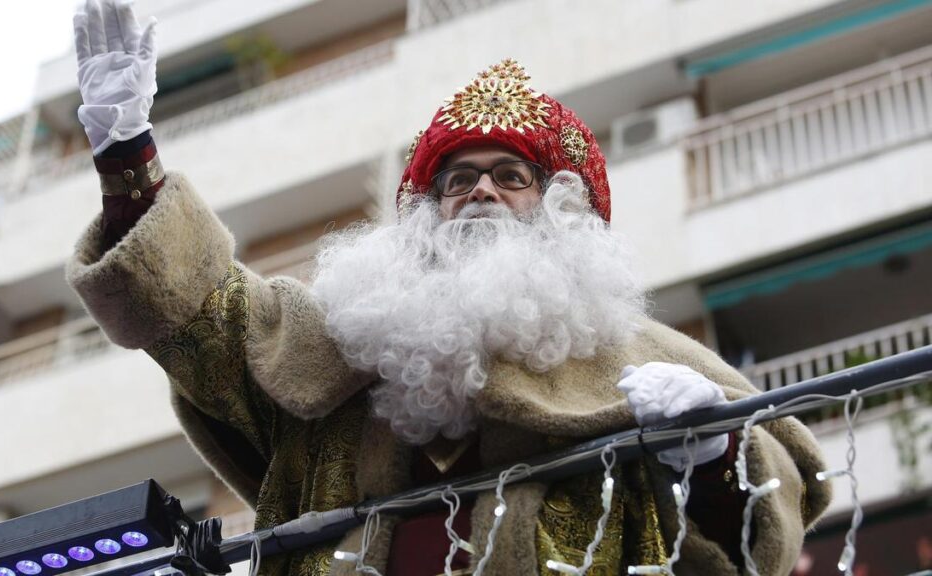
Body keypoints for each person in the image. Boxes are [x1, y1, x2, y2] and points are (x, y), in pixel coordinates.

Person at [66, 1, 831, 574]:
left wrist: (715, 449)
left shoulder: (646, 363)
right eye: (457, 181)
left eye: (510, 176)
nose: (480, 192)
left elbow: (762, 532)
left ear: (561, 212)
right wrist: (127, 155)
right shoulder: (338, 351)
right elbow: (208, 317)